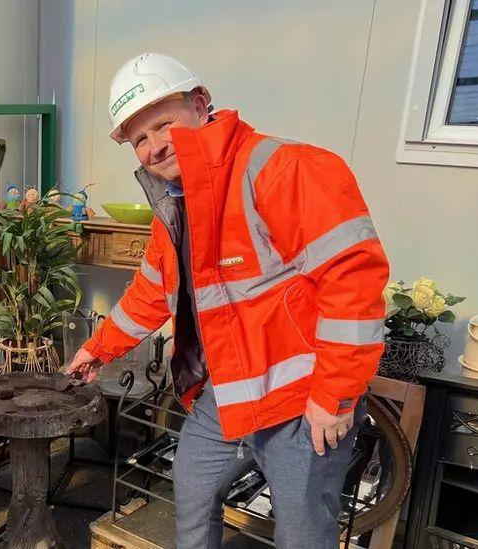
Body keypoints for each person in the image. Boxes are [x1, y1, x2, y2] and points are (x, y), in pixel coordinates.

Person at [68, 53, 389, 549]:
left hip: (302, 403)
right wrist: (98, 348)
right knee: (193, 486)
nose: (155, 147)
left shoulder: (286, 169)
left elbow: (354, 284)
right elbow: (152, 293)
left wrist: (336, 396)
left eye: (163, 124)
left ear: (200, 104)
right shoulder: (173, 206)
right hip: (227, 393)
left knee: (303, 532)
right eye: (140, 139)